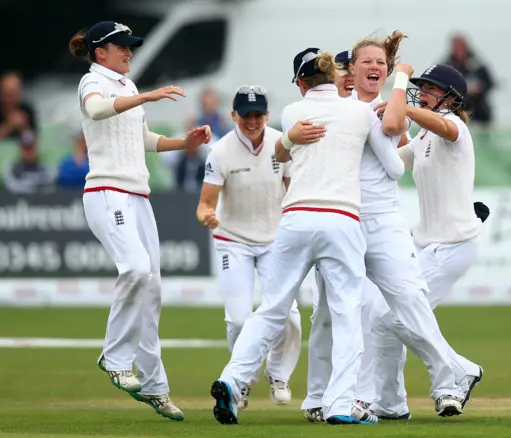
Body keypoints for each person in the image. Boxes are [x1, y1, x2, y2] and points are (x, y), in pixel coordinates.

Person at [210, 47, 400, 425]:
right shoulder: (361, 112)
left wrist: (285, 142)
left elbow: (281, 154)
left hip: (295, 219)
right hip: (341, 218)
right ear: (334, 77)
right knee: (347, 314)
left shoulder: (291, 113)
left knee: (272, 309)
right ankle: (341, 404)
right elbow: (393, 162)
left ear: (300, 82)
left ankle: (232, 380)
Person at [302, 32, 467, 422]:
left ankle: (450, 374)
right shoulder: (338, 109)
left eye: (381, 63)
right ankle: (321, 397)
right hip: (342, 219)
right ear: (350, 70)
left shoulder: (386, 105)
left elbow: (395, 150)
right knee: (334, 311)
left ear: (387, 71)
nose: (373, 68)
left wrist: (401, 83)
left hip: (382, 219)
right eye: (366, 62)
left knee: (407, 300)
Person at [69, 20, 212, 421]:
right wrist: (149, 95)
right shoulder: (91, 82)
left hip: (138, 195)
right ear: (101, 53)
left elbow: (145, 139)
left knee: (152, 291)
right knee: (134, 268)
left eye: (130, 46)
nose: (129, 52)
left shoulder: (128, 87)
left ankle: (155, 387)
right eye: (122, 47)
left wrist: (185, 143)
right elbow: (97, 110)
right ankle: (114, 358)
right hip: (106, 192)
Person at [370, 64, 485, 420]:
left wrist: (400, 105)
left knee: (395, 320)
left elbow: (446, 127)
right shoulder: (422, 138)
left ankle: (456, 374)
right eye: (422, 87)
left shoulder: (455, 128)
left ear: (451, 97)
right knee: (381, 320)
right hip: (424, 245)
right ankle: (390, 404)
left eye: (432, 88)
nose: (424, 92)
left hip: (453, 246)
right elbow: (391, 160)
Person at [196, 85, 303, 411]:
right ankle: (240, 384)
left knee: (289, 314)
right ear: (234, 116)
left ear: (267, 115)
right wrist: (208, 217)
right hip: (234, 240)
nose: (253, 121)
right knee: (240, 320)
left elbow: (293, 188)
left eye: (258, 115)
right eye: (246, 115)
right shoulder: (222, 151)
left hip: (275, 240)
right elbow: (204, 203)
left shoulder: (280, 143)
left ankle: (279, 374)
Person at [3, 130, 56, 194]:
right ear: (20, 149)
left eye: (31, 147)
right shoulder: (12, 169)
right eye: (26, 148)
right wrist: (35, 186)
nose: (29, 152)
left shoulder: (47, 168)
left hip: (42, 202)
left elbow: (50, 186)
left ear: (37, 147)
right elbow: (12, 187)